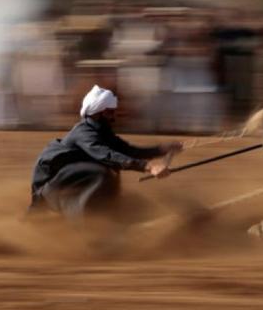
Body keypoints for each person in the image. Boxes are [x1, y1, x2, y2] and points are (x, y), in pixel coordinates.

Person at [28, 84, 182, 218]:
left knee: (111, 179)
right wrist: (149, 167)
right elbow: (106, 155)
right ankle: (85, 227)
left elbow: (128, 151)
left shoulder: (103, 133)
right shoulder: (84, 133)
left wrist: (162, 149)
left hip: (66, 186)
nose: (113, 117)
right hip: (49, 192)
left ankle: (106, 220)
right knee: (101, 172)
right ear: (97, 112)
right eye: (110, 112)